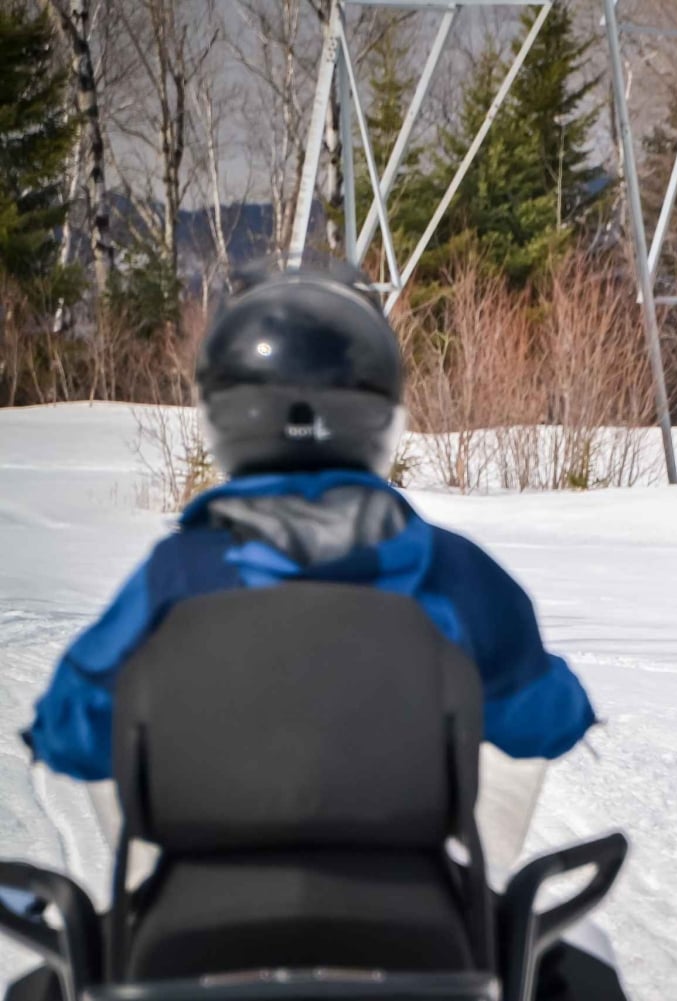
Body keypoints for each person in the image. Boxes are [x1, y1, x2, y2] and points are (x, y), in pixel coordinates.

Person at [10, 256, 619, 998]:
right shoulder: (449, 573)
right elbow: (544, 721)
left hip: (187, 940)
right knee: (578, 959)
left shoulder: (175, 578)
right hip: (424, 936)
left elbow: (73, 729)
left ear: (227, 415)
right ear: (377, 411)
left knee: (47, 980)